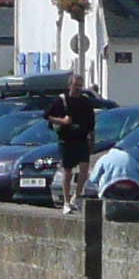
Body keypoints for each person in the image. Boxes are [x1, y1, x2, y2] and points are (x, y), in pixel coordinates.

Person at [42, 72, 102, 212]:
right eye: (76, 85)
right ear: (70, 85)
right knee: (67, 171)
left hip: (81, 139)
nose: (78, 88)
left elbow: (91, 122)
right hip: (66, 139)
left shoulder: (85, 102)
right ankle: (66, 202)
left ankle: (77, 195)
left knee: (84, 168)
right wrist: (62, 121)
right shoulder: (61, 100)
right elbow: (46, 115)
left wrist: (92, 139)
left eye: (80, 86)